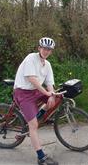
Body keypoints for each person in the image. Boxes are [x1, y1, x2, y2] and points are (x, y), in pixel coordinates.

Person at [13, 37, 58, 165]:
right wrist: (46, 93)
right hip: (23, 93)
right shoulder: (31, 58)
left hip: (35, 91)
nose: (46, 51)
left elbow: (49, 83)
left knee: (56, 99)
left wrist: (52, 95)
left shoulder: (47, 64)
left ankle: (39, 116)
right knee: (33, 126)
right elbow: (32, 79)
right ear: (39, 48)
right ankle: (41, 157)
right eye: (44, 48)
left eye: (49, 49)